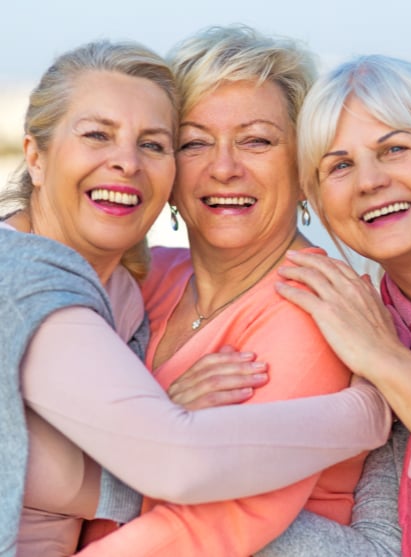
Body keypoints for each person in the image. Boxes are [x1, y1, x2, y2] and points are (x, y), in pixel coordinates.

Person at [1, 40, 391, 557]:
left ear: (304, 170)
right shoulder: (142, 275)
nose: (224, 167)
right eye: (194, 143)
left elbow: (207, 527)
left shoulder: (315, 305)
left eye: (256, 141)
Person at [262, 54, 411, 556]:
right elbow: (380, 550)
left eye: (395, 149)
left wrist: (387, 362)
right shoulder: (385, 324)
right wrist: (189, 494)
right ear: (317, 204)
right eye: (339, 166)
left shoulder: (379, 345)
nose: (369, 181)